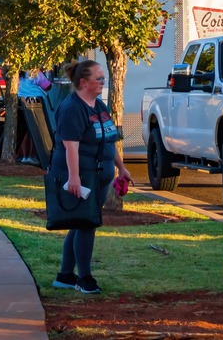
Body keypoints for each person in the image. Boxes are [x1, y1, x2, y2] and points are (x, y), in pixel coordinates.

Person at [49, 60, 133, 294]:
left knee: (79, 224)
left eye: (103, 78)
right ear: (83, 82)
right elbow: (71, 147)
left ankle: (65, 275)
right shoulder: (72, 109)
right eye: (99, 78)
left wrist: (121, 167)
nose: (103, 82)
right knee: (86, 223)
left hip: (100, 175)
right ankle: (84, 279)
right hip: (83, 175)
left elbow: (108, 139)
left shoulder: (98, 105)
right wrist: (74, 177)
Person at [17, 70, 49, 166]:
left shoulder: (18, 73)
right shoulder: (34, 71)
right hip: (35, 103)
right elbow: (47, 86)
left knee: (23, 131)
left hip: (21, 102)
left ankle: (24, 156)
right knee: (34, 130)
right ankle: (31, 155)